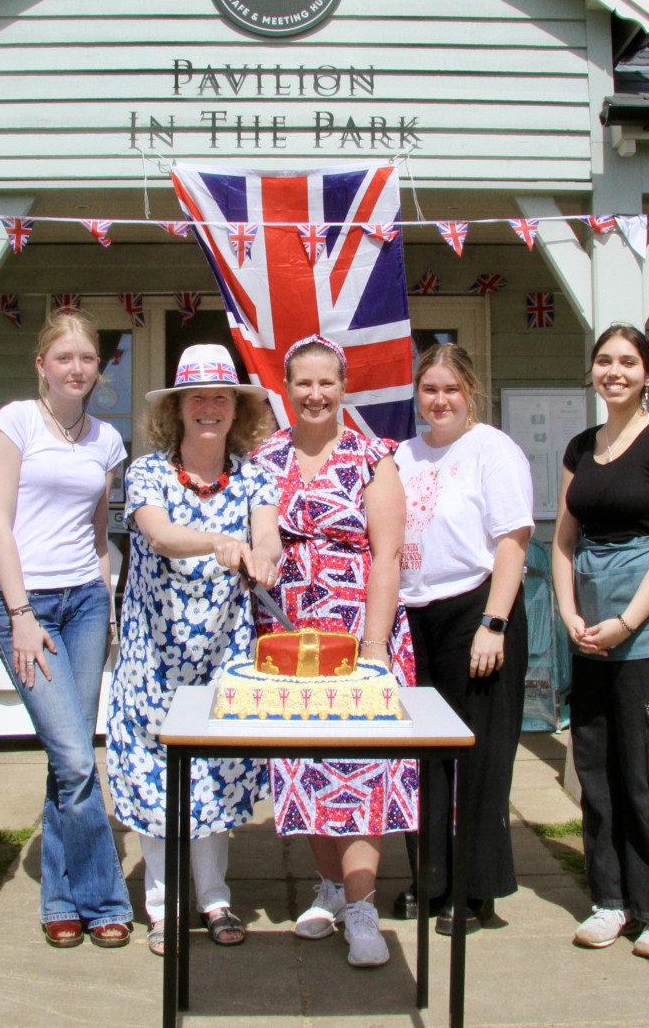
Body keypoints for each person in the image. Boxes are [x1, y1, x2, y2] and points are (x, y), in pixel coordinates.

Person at [106, 344, 280, 956]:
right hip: (153, 653)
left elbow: (268, 537)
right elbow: (158, 534)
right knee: (157, 774)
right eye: (197, 398)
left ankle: (215, 898)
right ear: (178, 409)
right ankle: (162, 907)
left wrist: (263, 555)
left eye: (221, 397)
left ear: (238, 409)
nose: (210, 408)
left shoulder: (256, 474)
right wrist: (217, 541)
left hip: (223, 650)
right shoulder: (148, 471)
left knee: (215, 771)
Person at [251, 335, 415, 970]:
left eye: (327, 383)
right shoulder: (264, 459)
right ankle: (328, 890)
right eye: (302, 384)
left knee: (362, 769)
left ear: (344, 389)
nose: (315, 395)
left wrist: (374, 646)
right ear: (286, 390)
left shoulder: (374, 458)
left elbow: (388, 557)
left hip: (359, 637)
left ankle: (364, 906)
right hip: (287, 642)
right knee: (305, 765)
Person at [552, 323, 649, 959]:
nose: (614, 371)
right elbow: (563, 540)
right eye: (604, 361)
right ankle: (611, 901)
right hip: (590, 631)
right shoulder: (581, 446)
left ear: (648, 374)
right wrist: (568, 615)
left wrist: (629, 621)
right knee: (598, 771)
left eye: (627, 362)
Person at [0, 309, 133, 950]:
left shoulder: (106, 440)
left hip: (85, 604)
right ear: (41, 364)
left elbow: (99, 531)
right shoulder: (14, 422)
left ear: (99, 368)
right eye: (64, 357)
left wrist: (108, 596)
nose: (77, 369)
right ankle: (105, 898)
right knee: (75, 757)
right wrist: (19, 615)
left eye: (87, 358)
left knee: (65, 757)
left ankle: (60, 900)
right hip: (27, 606)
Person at [393, 342, 533, 934]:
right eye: (430, 389)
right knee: (424, 758)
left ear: (470, 391)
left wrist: (493, 624)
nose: (440, 400)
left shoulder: (492, 450)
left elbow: (513, 540)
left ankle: (475, 892)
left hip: (478, 611)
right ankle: (432, 879)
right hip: (414, 617)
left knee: (479, 757)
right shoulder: (401, 454)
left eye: (451, 389)